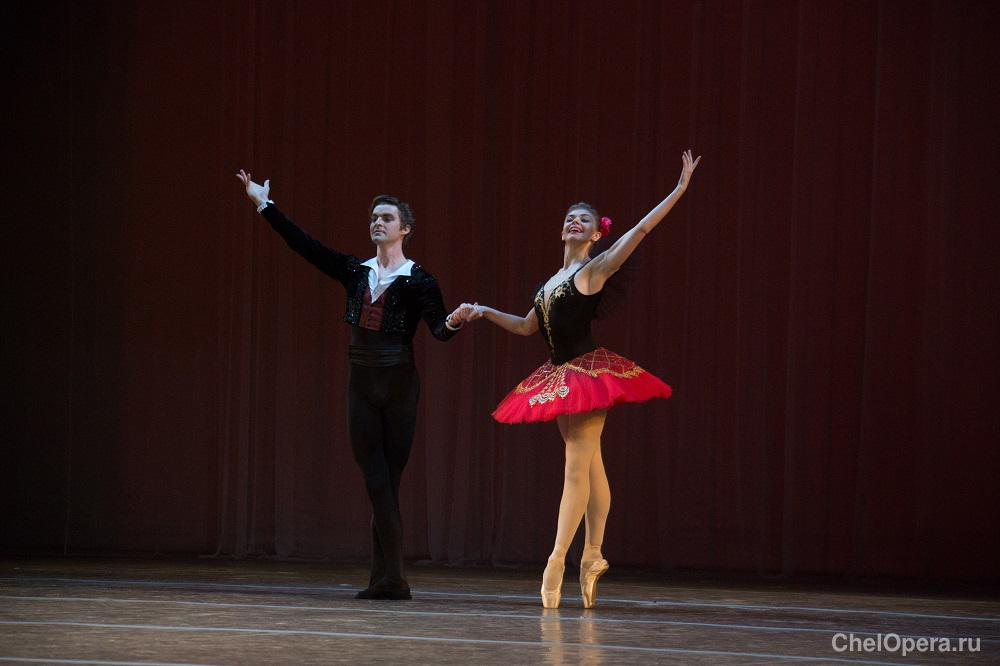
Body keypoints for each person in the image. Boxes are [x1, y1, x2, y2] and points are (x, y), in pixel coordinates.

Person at [454, 150, 701, 608]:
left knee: (575, 466)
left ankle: (556, 561)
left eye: (584, 220)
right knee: (591, 466)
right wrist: (483, 311)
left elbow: (639, 231)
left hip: (589, 374)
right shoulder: (549, 283)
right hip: (559, 376)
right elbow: (527, 327)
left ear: (595, 234)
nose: (575, 222)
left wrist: (678, 190)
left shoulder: (594, 270)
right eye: (570, 218)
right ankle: (592, 556)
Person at [236, 170, 465, 600]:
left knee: (387, 483)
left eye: (386, 218)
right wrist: (264, 204)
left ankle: (387, 579)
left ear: (405, 228)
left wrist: (454, 320)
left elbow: (439, 330)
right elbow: (306, 246)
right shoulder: (355, 272)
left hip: (399, 386)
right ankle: (390, 579)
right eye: (374, 217)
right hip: (361, 384)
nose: (378, 222)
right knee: (377, 481)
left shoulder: (421, 280)